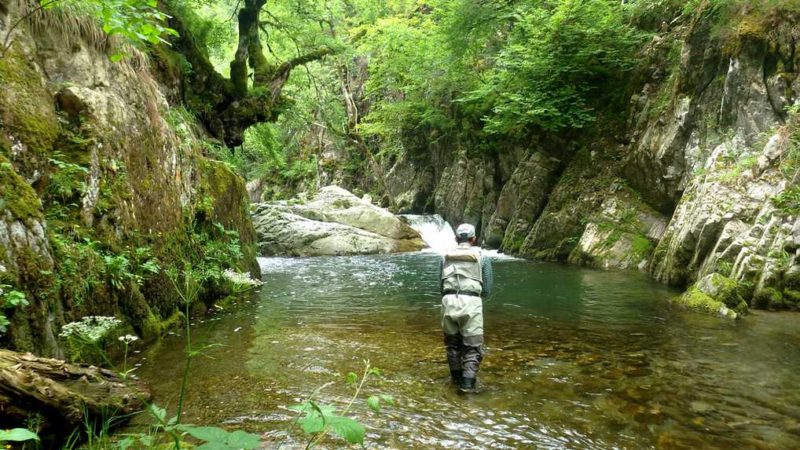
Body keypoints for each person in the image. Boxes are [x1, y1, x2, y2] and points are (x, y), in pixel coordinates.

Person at [440, 223, 493, 392]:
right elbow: (487, 288)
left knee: (452, 345)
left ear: (456, 239)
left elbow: (440, 286)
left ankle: (455, 379)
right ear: (474, 239)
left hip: (448, 301)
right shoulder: (483, 256)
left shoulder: (444, 256)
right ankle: (467, 386)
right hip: (471, 302)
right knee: (472, 347)